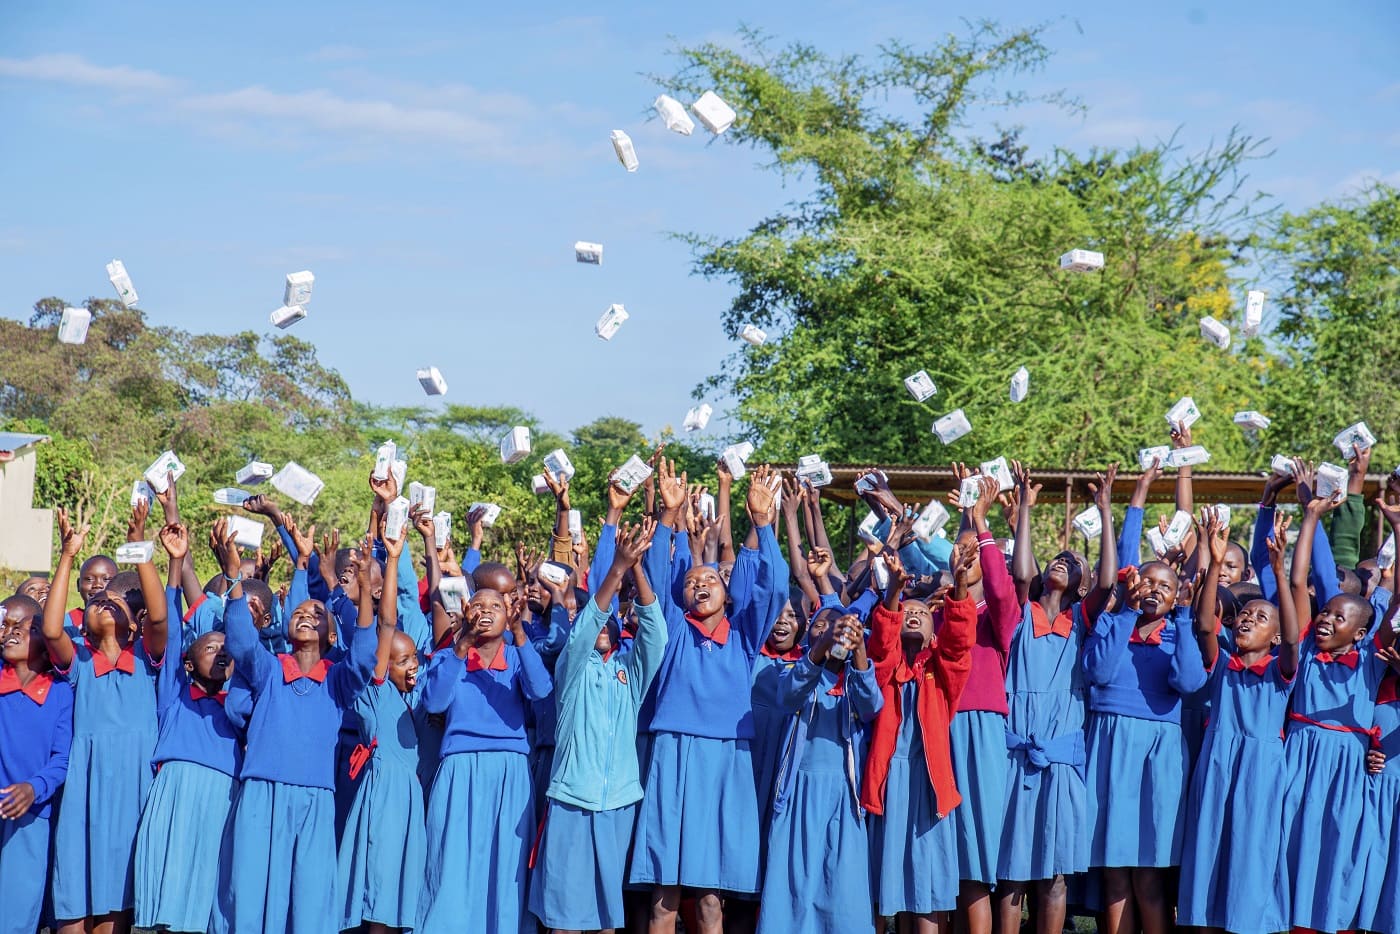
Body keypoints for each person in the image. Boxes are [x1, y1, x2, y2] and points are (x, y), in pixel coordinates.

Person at [628, 462, 785, 934]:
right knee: (664, 898)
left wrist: (763, 523)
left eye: (711, 580)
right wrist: (668, 515)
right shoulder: (673, 630)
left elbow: (775, 586)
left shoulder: (744, 635)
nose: (700, 584)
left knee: (712, 901)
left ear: (727, 593)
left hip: (726, 760)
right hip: (674, 753)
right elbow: (657, 575)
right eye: (692, 581)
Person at [214, 516, 378, 934]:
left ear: (331, 636)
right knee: (250, 896)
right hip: (260, 794)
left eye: (317, 614)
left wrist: (363, 592)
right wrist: (234, 576)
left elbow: (364, 656)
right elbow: (241, 640)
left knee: (309, 901)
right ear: (286, 626)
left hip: (315, 799)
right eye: (299, 612)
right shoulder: (269, 668)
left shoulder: (338, 680)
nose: (306, 615)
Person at [529, 519, 668, 934]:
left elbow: (656, 637)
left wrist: (636, 566)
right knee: (566, 916)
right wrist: (617, 569)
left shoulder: (629, 671)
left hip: (619, 801)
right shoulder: (572, 667)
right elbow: (584, 629)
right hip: (573, 797)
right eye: (598, 621)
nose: (603, 626)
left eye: (611, 623)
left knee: (607, 916)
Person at [997, 464, 1117, 934]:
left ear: (1082, 587)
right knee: (1011, 873)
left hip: (1062, 756)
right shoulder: (1021, 613)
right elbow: (1020, 572)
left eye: (1073, 561)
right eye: (1057, 558)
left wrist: (1105, 511)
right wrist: (1025, 509)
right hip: (1016, 752)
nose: (1062, 560)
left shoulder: (1081, 621)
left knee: (1054, 873)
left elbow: (1107, 582)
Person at [43, 504, 168, 934]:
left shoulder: (146, 659)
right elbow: (52, 630)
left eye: (115, 602)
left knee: (114, 912)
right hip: (85, 785)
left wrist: (141, 549)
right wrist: (67, 556)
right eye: (97, 600)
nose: (103, 601)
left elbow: (160, 615)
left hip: (132, 788)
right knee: (72, 907)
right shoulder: (79, 661)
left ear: (134, 624)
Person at [1177, 511, 1299, 934]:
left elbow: (1293, 638)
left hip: (1259, 770)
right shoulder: (1224, 665)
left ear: (1275, 637)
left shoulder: (1280, 671)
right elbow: (1204, 625)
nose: (1248, 619)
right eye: (1245, 614)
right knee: (1208, 852)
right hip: (1217, 765)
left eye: (1261, 618)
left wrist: (1279, 571)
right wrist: (1213, 563)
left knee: (1250, 855)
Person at [1279, 481, 1392, 933]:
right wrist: (1310, 517)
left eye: (1338, 617)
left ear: (1361, 632)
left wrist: (1398, 535)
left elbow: (1395, 604)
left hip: (1347, 764)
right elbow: (1298, 581)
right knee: (1288, 844)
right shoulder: (1307, 648)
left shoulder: (1371, 659)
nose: (1326, 619)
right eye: (1325, 613)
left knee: (1337, 850)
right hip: (1298, 756)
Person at [417, 565, 553, 932]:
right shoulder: (449, 657)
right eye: (478, 605)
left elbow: (541, 690)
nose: (487, 611)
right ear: (465, 612)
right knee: (451, 862)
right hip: (459, 768)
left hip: (510, 771)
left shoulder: (517, 656)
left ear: (509, 613)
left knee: (505, 867)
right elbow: (434, 702)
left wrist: (520, 634)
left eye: (496, 606)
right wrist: (461, 645)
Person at [1082, 559, 1207, 934]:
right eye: (1148, 581)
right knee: (1114, 873)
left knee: (1149, 874)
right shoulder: (1110, 623)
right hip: (1109, 747)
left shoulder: (1179, 633)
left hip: (1157, 755)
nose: (1155, 589)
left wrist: (1183, 618)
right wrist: (1128, 612)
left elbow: (1189, 682)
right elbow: (1098, 671)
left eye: (1166, 587)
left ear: (1176, 598)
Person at [863, 536, 978, 933]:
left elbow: (959, 644)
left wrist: (960, 586)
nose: (913, 615)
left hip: (929, 791)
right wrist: (894, 593)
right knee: (877, 888)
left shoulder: (943, 674)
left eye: (922, 614)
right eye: (907, 612)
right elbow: (881, 648)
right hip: (886, 785)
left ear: (934, 633)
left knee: (926, 891)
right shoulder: (883, 670)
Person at [134, 521, 243, 933]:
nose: (220, 653)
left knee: (205, 893)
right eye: (210, 647)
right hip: (175, 790)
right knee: (168, 885)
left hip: (221, 796)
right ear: (188, 663)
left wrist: (234, 576)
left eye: (226, 649)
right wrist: (176, 564)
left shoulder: (239, 704)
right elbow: (173, 629)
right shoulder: (174, 692)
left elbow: (247, 641)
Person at [756, 603, 882, 934]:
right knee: (792, 889)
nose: (829, 628)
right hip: (797, 793)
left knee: (843, 890)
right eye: (819, 625)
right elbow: (788, 695)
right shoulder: (792, 669)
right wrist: (824, 646)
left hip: (844, 796)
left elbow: (871, 706)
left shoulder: (855, 678)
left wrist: (859, 651)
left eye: (838, 625)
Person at [336, 518, 427, 934]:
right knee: (379, 894)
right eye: (402, 660)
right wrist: (391, 561)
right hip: (385, 794)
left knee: (396, 895)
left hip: (409, 798)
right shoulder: (374, 691)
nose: (413, 666)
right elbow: (386, 623)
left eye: (415, 658)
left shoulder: (415, 699)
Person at [0, 593, 73, 934]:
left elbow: (62, 758)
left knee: (15, 915)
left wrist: (34, 787)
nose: (13, 632)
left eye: (26, 628)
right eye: (7, 625)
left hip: (31, 814)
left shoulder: (60, 692)